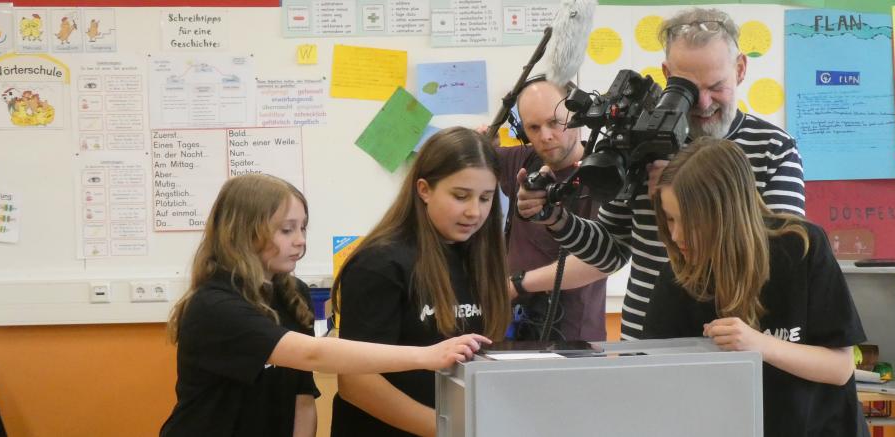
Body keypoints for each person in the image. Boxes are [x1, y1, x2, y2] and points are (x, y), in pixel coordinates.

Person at [515, 7, 806, 340]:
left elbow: (783, 258)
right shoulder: (639, 141)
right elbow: (609, 251)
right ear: (667, 75)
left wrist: (689, 196)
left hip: (733, 342)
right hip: (644, 341)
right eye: (690, 89)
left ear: (740, 69)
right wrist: (556, 218)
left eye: (716, 86)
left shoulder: (774, 148)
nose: (704, 102)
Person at [161, 173, 489, 437]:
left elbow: (303, 398)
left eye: (303, 227)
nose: (301, 240)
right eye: (286, 230)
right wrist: (426, 355)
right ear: (243, 233)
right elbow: (312, 353)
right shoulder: (215, 306)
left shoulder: (293, 294)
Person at [644, 137, 867, 437]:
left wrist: (757, 345)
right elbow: (656, 383)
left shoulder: (800, 247)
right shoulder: (676, 279)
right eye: (669, 219)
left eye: (691, 221)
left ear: (726, 214)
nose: (676, 234)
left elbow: (840, 368)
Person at [330, 127, 513, 437]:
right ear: (424, 190)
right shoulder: (381, 263)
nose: (475, 211)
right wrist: (448, 430)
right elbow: (356, 382)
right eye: (460, 196)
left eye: (485, 198)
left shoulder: (478, 258)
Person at [496, 77, 607, 342]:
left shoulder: (602, 174)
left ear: (577, 116)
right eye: (533, 127)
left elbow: (600, 261)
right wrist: (478, 144)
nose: (545, 136)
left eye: (554, 122)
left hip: (575, 339)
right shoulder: (521, 161)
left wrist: (517, 284)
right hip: (514, 332)